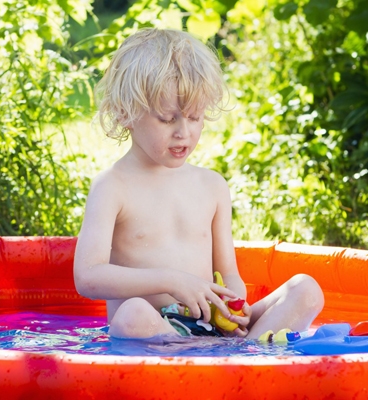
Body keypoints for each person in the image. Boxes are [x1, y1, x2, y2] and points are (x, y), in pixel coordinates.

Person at [73, 29, 324, 340]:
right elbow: (88, 277)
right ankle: (219, 361)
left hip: (214, 325)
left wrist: (234, 302)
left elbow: (228, 271)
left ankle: (242, 356)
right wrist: (170, 281)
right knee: (131, 314)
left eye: (194, 117)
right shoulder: (113, 187)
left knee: (306, 290)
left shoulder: (211, 186)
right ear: (126, 113)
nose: (184, 132)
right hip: (157, 327)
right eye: (167, 119)